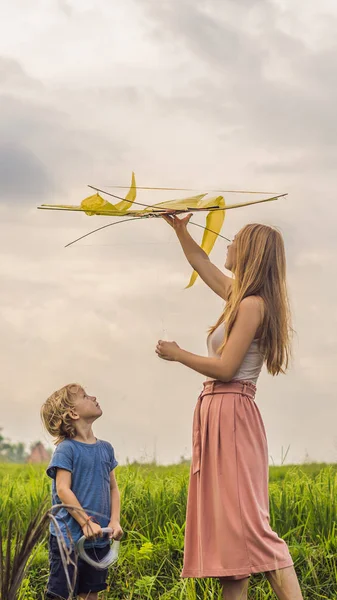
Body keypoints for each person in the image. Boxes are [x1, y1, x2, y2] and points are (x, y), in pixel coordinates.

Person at [155, 216, 303, 600]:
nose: (226, 244)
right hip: (218, 414)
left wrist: (178, 354)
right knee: (229, 537)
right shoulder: (239, 297)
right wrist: (181, 231)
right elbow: (201, 263)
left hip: (233, 414)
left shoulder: (253, 305)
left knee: (252, 528)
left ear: (249, 252)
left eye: (233, 240)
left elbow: (225, 368)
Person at [41, 384, 123, 600]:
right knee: (61, 594)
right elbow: (62, 489)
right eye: (85, 396)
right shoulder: (67, 449)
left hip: (98, 538)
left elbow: (113, 488)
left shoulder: (106, 449)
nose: (93, 396)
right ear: (73, 413)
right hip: (68, 539)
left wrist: (114, 521)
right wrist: (86, 522)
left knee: (90, 593)